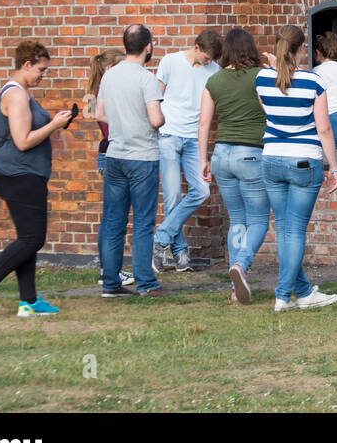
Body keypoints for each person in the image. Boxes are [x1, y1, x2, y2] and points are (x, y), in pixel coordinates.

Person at [0, 40, 75, 320]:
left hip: (24, 174)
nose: (43, 75)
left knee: (29, 237)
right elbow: (23, 141)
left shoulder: (20, 93)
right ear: (27, 64)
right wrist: (54, 125)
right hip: (17, 174)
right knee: (32, 238)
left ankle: (28, 301)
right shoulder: (16, 96)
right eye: (41, 69)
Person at [256, 25, 337, 311]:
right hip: (304, 158)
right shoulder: (312, 81)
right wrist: (334, 167)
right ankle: (282, 295)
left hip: (271, 157)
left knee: (284, 229)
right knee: (294, 231)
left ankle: (303, 292)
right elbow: (324, 128)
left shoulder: (262, 79)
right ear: (301, 47)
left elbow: (269, 112)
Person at [198, 28, 268, 304]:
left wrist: (203, 159)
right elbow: (269, 110)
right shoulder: (259, 77)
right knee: (259, 219)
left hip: (221, 155)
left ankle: (233, 286)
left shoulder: (214, 81)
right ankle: (241, 265)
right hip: (251, 154)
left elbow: (204, 123)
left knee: (237, 220)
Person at [98, 24, 166, 298]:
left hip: (115, 154)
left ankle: (111, 283)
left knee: (113, 222)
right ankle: (146, 282)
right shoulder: (146, 78)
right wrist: (161, 118)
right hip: (143, 157)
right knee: (143, 223)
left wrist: (122, 123)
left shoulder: (109, 76)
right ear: (148, 47)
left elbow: (99, 113)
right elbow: (155, 119)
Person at [153, 30, 222, 273]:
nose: (208, 62)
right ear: (196, 47)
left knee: (201, 190)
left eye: (212, 59)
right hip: (169, 135)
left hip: (195, 139)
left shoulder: (215, 71)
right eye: (206, 57)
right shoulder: (170, 61)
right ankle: (180, 254)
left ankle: (160, 239)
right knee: (172, 198)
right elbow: (155, 96)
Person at [86, 48, 132, 289]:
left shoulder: (99, 91)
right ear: (111, 68)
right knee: (114, 220)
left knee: (110, 219)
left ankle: (109, 270)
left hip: (106, 154)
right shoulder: (107, 91)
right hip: (115, 153)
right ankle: (109, 272)